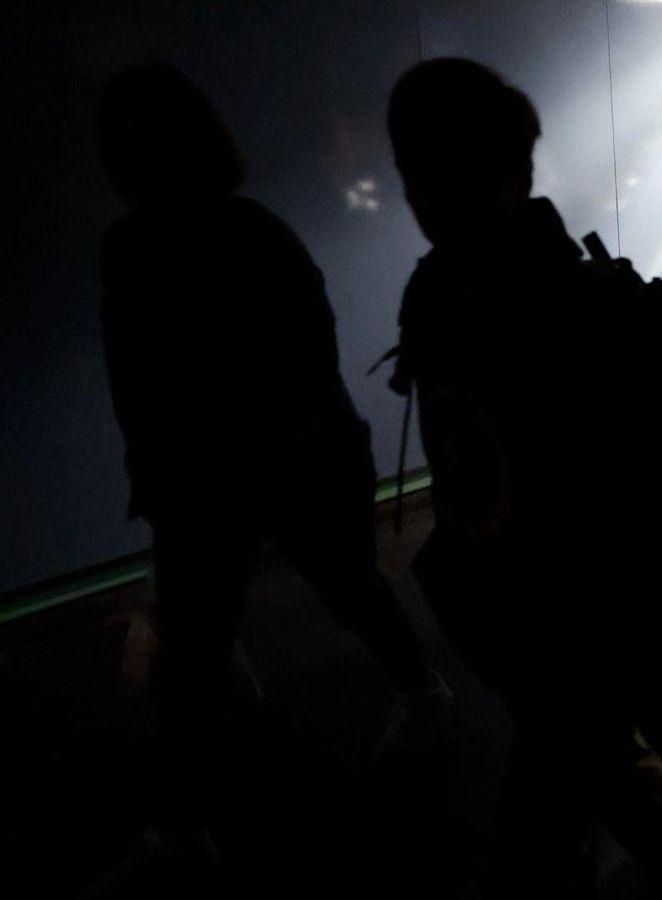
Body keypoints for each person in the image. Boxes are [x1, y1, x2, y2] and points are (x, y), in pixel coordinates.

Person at [386, 58, 662, 894]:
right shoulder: (445, 289)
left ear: (510, 172)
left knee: (541, 815)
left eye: (454, 170)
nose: (431, 196)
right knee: (589, 772)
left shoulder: (583, 310)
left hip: (587, 613)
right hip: (508, 609)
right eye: (417, 170)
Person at [90, 62, 447, 892]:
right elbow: (141, 387)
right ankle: (423, 698)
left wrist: (187, 483)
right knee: (331, 595)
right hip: (267, 466)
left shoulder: (166, 245)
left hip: (286, 463)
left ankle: (185, 828)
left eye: (141, 138)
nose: (129, 155)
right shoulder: (238, 233)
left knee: (338, 592)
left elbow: (279, 376)